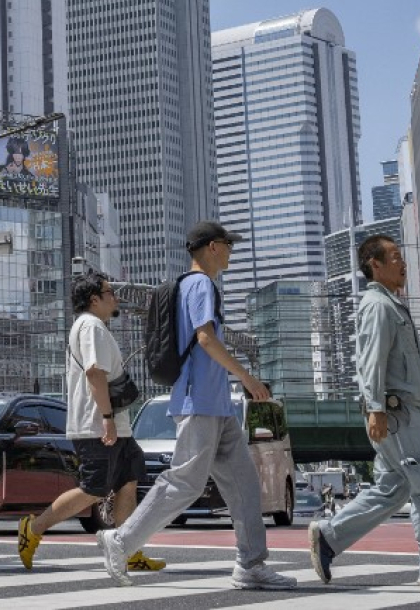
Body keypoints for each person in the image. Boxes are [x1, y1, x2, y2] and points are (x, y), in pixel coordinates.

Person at [96, 222, 295, 590]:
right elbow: (205, 338)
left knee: (245, 484)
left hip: (216, 406)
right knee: (184, 483)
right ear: (213, 247)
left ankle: (251, 564)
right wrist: (247, 379)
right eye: (228, 245)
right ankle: (121, 540)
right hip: (200, 402)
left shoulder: (192, 286)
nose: (231, 252)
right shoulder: (201, 285)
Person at [309, 235, 420, 591]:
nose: (402, 263)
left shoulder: (392, 305)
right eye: (394, 257)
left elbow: (411, 367)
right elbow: (371, 363)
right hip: (394, 413)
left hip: (401, 411)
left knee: (393, 488)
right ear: (374, 264)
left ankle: (329, 536)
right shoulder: (378, 306)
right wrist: (375, 409)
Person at [18, 270, 163, 573]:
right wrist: (107, 419)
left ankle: (127, 550)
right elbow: (95, 373)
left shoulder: (95, 326)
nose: (116, 296)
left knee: (128, 481)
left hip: (114, 425)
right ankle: (33, 528)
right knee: (94, 488)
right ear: (94, 299)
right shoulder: (91, 326)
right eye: (110, 292)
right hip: (97, 424)